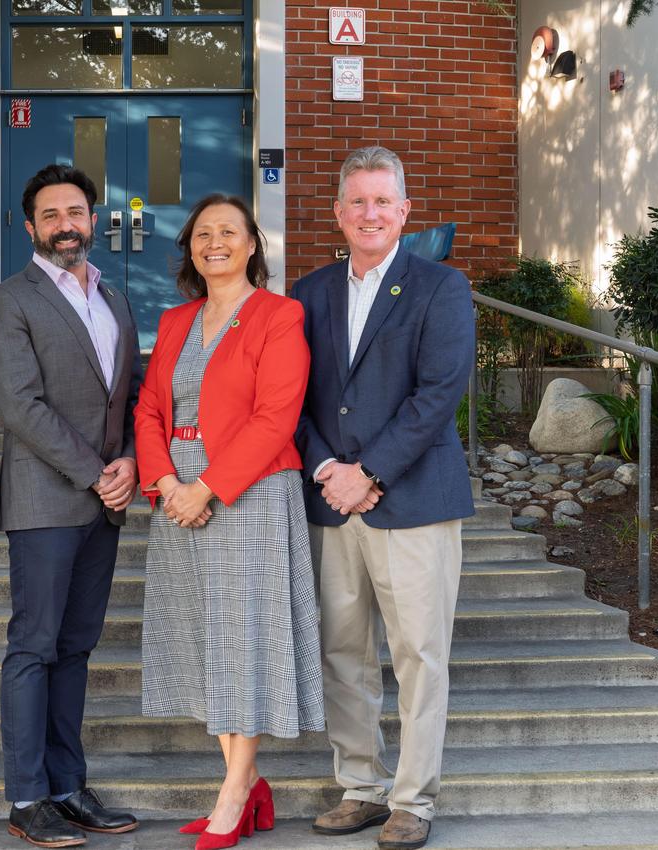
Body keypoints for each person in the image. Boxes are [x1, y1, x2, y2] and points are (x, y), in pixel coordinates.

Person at [290, 146, 475, 850]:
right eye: (357, 201)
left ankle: (413, 800)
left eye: (382, 201)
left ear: (404, 211)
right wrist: (326, 469)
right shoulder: (307, 295)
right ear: (338, 214)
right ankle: (361, 787)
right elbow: (291, 400)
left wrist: (369, 473)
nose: (370, 213)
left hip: (413, 501)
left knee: (419, 655)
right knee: (343, 651)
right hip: (331, 502)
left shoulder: (440, 287)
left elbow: (437, 396)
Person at [134, 194, 325, 850]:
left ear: (251, 246)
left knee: (243, 639)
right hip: (176, 492)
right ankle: (246, 780)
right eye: (203, 233)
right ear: (190, 247)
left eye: (229, 232)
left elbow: (277, 416)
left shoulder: (279, 314)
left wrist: (208, 488)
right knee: (203, 638)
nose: (214, 242)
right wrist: (165, 483)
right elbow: (149, 410)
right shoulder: (177, 318)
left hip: (251, 492)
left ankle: (235, 788)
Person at [0, 163, 142, 849]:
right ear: (29, 226)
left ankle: (68, 787)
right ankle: (26, 798)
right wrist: (97, 472)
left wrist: (130, 460)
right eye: (50, 215)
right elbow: (20, 406)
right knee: (34, 648)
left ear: (94, 218)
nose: (65, 225)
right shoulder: (8, 301)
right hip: (47, 500)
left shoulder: (115, 297)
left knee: (76, 648)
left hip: (105, 501)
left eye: (75, 211)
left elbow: (129, 394)